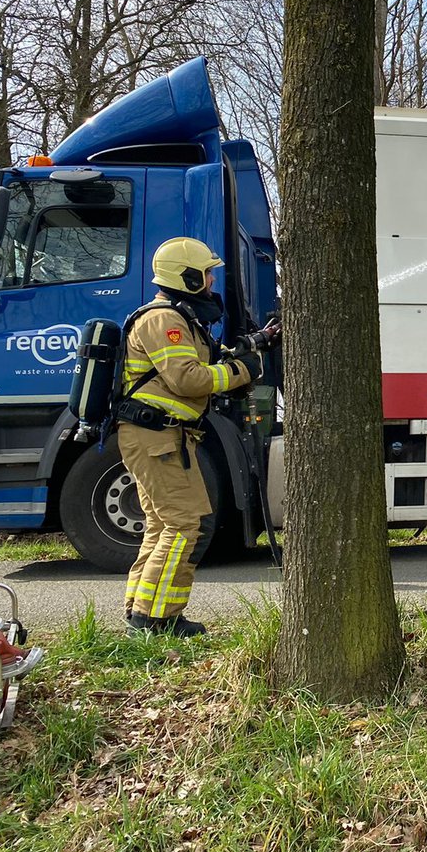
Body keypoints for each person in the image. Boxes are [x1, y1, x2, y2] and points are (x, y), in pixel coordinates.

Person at [119, 237, 261, 637]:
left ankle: (139, 613)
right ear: (188, 278)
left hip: (161, 436)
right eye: (207, 274)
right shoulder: (163, 320)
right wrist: (243, 371)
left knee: (161, 527)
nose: (213, 281)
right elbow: (188, 379)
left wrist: (247, 348)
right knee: (184, 526)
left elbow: (204, 362)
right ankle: (157, 621)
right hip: (157, 436)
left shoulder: (180, 318)